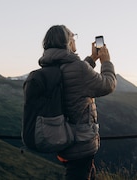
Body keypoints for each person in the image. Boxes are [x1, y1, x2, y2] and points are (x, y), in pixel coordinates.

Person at [38, 25, 116, 180]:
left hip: (60, 138)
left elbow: (74, 75)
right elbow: (108, 85)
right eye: (73, 37)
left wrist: (91, 59)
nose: (75, 40)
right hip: (80, 142)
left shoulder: (49, 68)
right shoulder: (78, 68)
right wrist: (106, 62)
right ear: (67, 42)